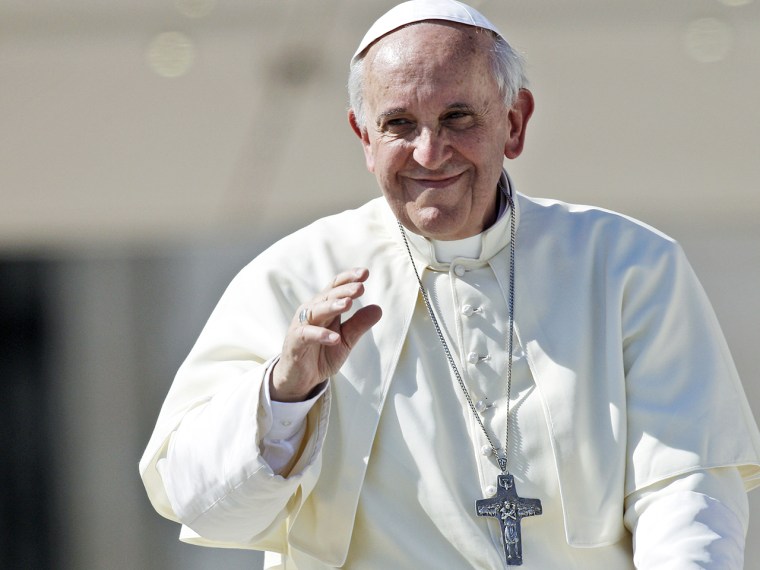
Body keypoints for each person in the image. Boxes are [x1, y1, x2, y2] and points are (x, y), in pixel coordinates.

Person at [140, 1, 760, 568]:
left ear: (514, 122)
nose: (430, 152)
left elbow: (686, 488)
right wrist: (285, 392)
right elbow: (203, 506)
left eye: (457, 117)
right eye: (399, 125)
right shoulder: (292, 279)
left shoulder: (629, 266)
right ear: (363, 137)